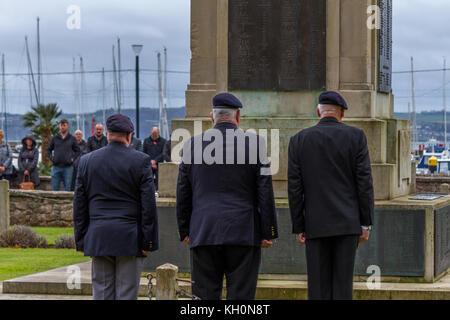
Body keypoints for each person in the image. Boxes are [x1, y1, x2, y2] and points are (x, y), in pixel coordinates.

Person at [176, 92, 278, 300]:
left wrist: (185, 229)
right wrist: (268, 231)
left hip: (204, 230)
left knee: (204, 297)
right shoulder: (256, 144)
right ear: (238, 116)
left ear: (212, 117)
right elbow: (265, 192)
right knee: (241, 296)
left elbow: (183, 191)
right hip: (243, 231)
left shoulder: (191, 145)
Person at [288, 91, 374, 300]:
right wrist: (365, 223)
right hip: (347, 224)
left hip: (315, 225)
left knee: (317, 288)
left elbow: (294, 188)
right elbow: (364, 183)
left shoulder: (299, 140)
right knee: (343, 286)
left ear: (318, 111)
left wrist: (299, 225)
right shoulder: (356, 137)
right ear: (342, 113)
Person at [73, 114, 159, 300]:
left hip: (98, 234)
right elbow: (148, 206)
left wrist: (81, 238)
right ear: (129, 136)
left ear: (107, 134)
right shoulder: (141, 161)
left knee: (102, 294)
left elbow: (79, 204)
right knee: (126, 294)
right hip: (129, 236)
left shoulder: (87, 161)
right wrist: (148, 242)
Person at [47, 119, 80, 191]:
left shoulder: (72, 138)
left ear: (67, 126)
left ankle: (66, 203)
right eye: (61, 125)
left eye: (64, 125)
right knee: (54, 189)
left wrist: (73, 159)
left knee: (67, 189)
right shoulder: (55, 138)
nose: (62, 127)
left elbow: (77, 151)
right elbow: (48, 149)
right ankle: (55, 202)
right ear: (59, 126)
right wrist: (51, 158)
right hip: (56, 167)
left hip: (68, 168)